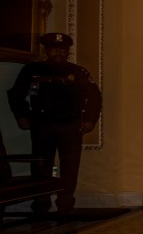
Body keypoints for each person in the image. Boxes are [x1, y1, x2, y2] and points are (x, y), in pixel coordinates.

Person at [7, 32, 102, 216]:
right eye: (54, 49)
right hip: (42, 125)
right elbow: (15, 94)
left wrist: (90, 119)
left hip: (71, 125)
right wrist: (21, 116)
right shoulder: (31, 70)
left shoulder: (78, 72)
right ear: (46, 50)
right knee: (41, 167)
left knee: (70, 167)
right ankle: (41, 205)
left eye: (62, 49)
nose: (58, 52)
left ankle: (66, 204)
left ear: (67, 51)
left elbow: (95, 97)